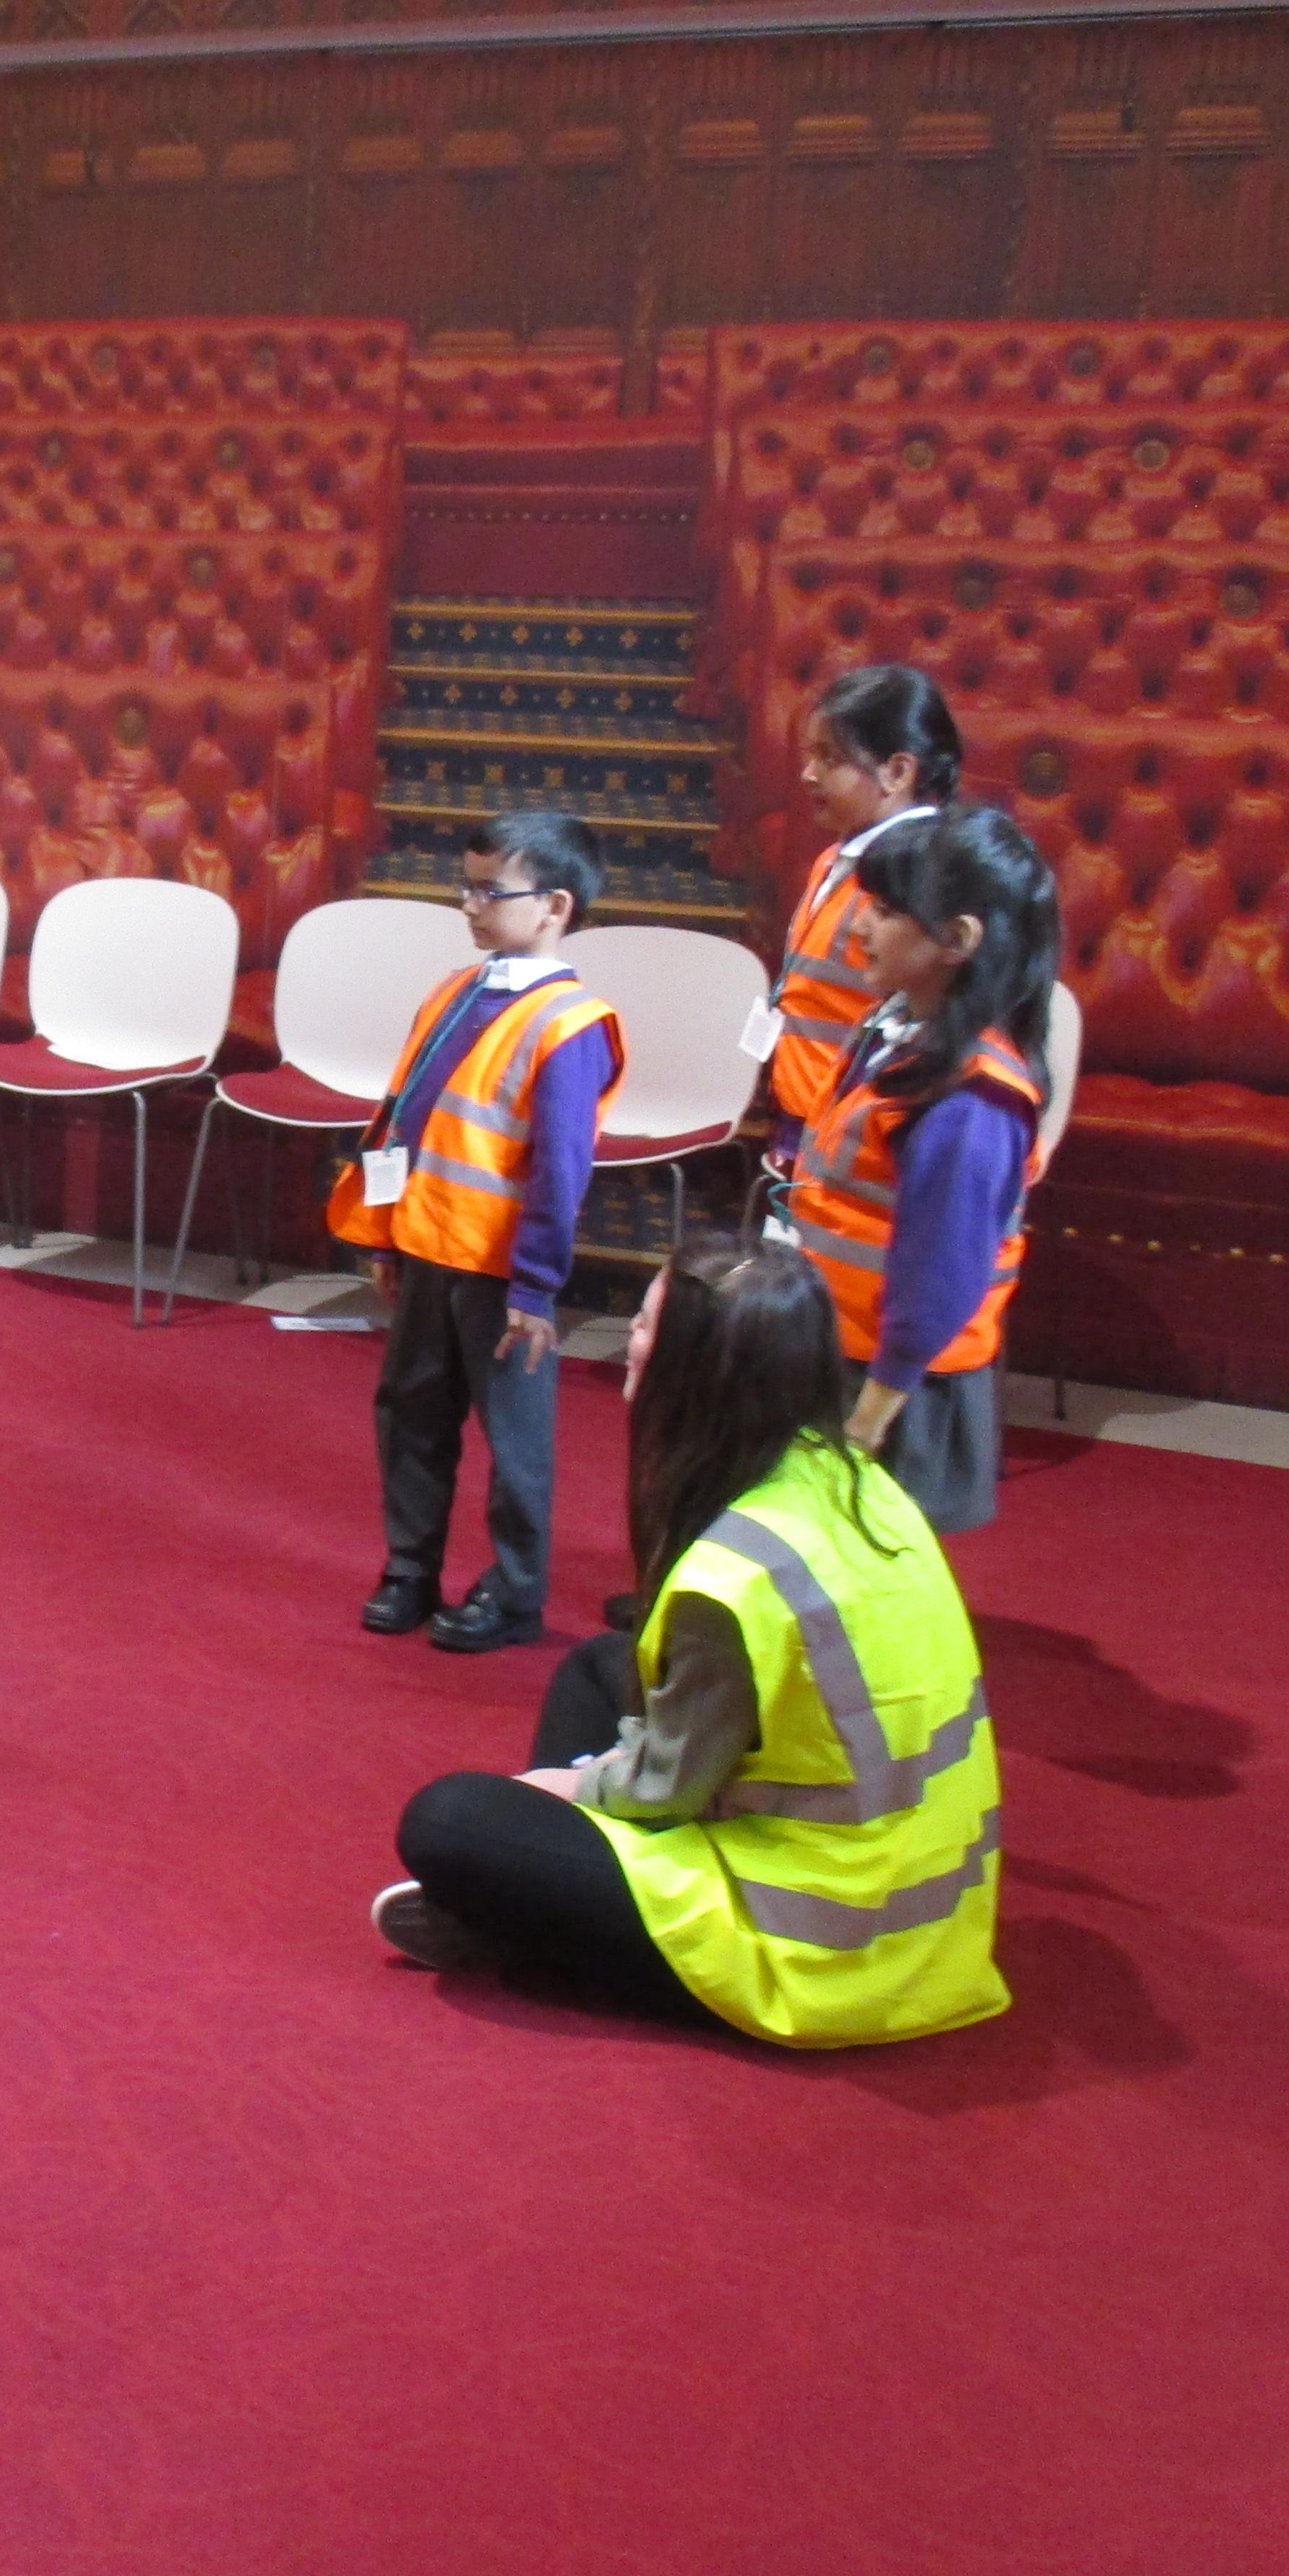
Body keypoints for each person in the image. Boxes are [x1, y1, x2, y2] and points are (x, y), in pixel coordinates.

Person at [371, 1235, 1007, 2047]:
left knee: (450, 1820)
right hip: (900, 1885)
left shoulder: (730, 1581)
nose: (629, 1342)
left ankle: (533, 1917)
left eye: (643, 1326)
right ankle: (542, 1901)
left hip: (816, 1939)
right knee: (598, 1669)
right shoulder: (854, 1479)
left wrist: (564, 1789)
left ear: (696, 1371)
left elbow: (663, 1789)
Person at [333, 812, 625, 1654]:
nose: (469, 905)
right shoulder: (453, 991)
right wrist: (386, 1236)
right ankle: (410, 1567)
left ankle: (516, 1589)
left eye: (490, 891)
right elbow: (406, 1118)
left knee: (515, 1441)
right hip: (426, 1245)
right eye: (465, 887)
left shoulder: (571, 1023)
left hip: (502, 1271)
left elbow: (560, 1169)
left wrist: (537, 1284)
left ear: (555, 906)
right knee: (410, 1415)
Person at [785, 803, 1058, 1537]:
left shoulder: (970, 1100)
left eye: (884, 911)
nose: (858, 927)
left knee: (867, 1574)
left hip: (896, 1387)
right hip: (837, 1349)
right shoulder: (895, 1027)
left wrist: (871, 1415)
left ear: (957, 941)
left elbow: (941, 1271)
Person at [755, 665, 961, 1152]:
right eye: (810, 755)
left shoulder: (925, 878)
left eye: (830, 758)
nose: (808, 774)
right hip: (804, 1109)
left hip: (857, 1125)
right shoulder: (835, 858)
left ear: (897, 773)